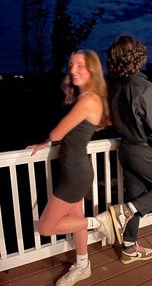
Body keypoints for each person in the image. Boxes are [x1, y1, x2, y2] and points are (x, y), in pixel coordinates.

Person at [27, 49, 115, 286]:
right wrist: (46, 142)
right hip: (75, 170)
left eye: (80, 66)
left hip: (75, 175)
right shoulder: (89, 97)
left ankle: (100, 222)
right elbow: (62, 137)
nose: (73, 70)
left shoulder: (88, 100)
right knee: (76, 220)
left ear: (92, 70)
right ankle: (83, 264)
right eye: (71, 65)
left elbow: (58, 132)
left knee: (46, 227)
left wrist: (50, 137)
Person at [106, 35, 152, 264]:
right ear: (137, 56)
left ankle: (129, 247)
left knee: (135, 196)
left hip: (125, 150)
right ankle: (124, 211)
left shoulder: (116, 87)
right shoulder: (144, 87)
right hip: (143, 151)